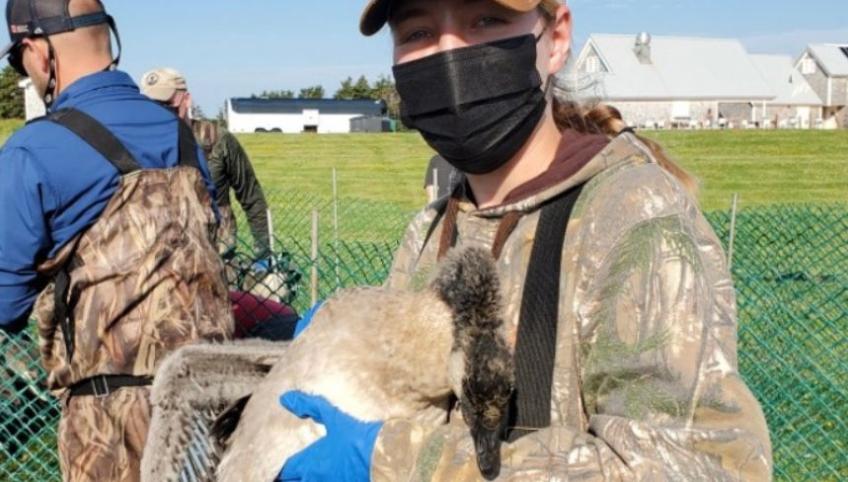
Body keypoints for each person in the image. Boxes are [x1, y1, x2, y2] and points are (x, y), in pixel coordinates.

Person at [273, 0, 773, 480]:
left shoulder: (632, 217)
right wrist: (349, 347)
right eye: (418, 33)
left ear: (555, 39)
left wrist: (394, 463)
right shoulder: (432, 228)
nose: (449, 53)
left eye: (485, 19)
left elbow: (699, 466)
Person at [0, 1, 233, 481]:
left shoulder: (32, 150)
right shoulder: (184, 137)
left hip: (112, 428)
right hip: (216, 405)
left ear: (38, 53)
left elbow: (5, 304)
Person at [140, 67, 273, 263]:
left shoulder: (217, 139)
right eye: (150, 105)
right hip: (162, 257)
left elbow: (251, 197)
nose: (159, 111)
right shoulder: (140, 142)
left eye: (166, 103)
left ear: (186, 99)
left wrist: (263, 253)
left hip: (217, 254)